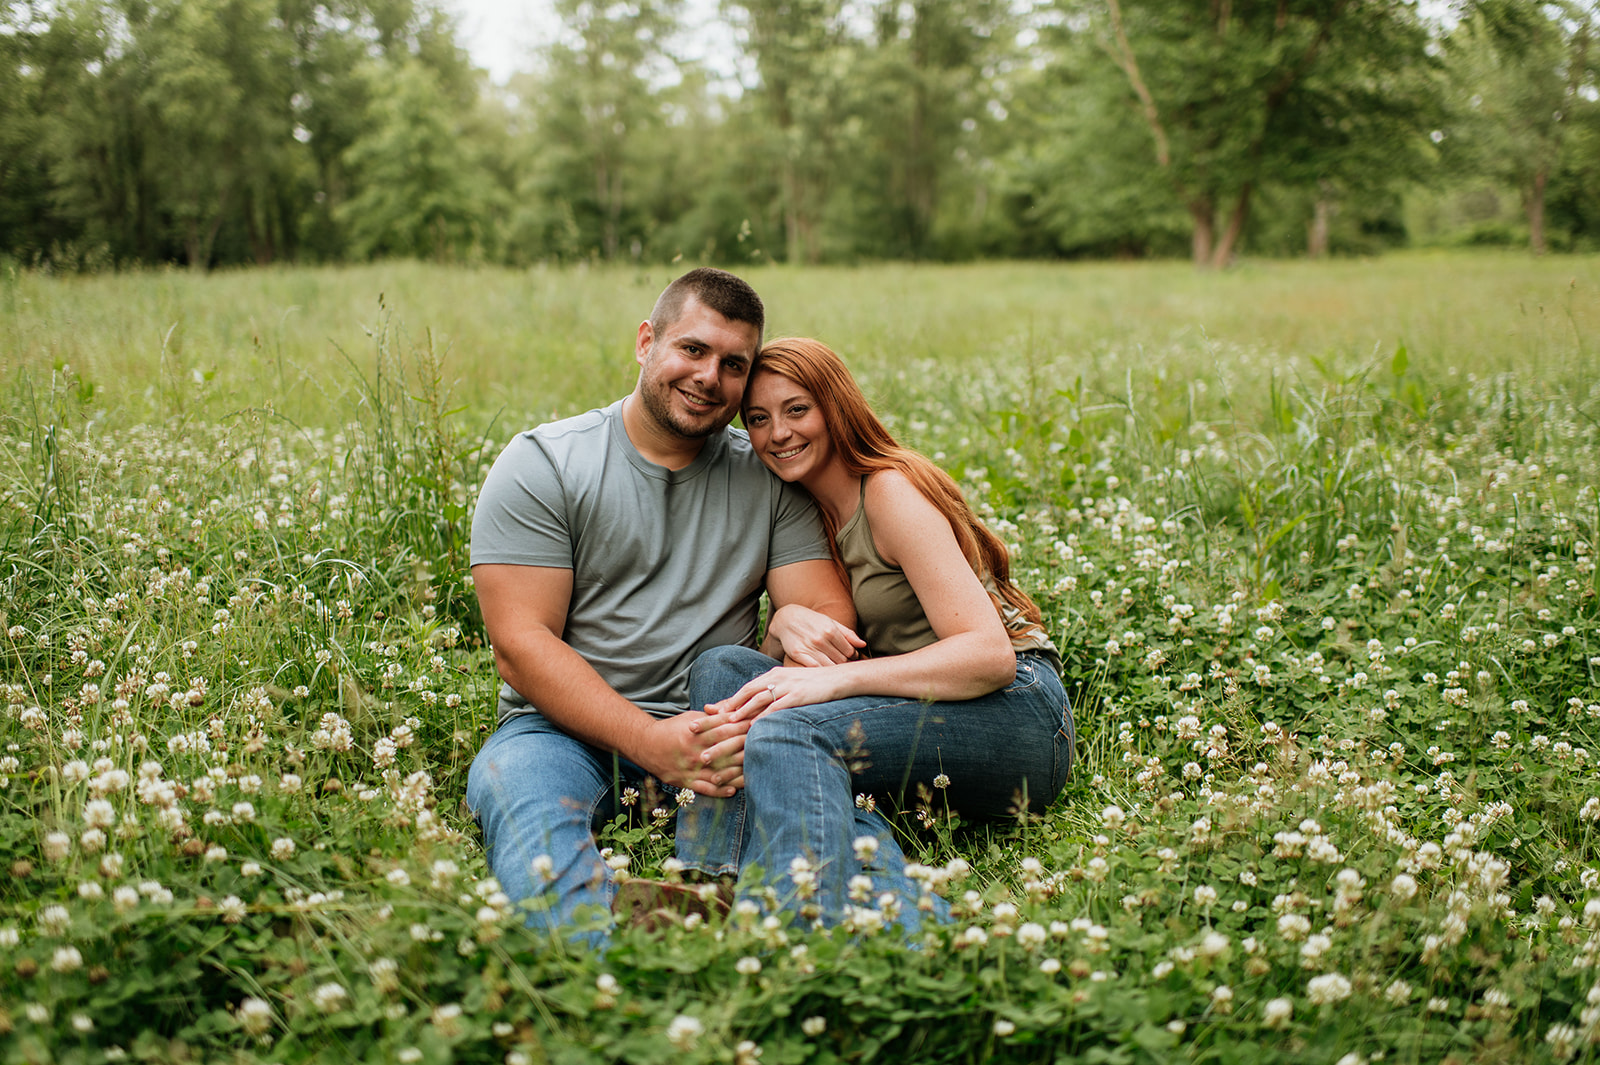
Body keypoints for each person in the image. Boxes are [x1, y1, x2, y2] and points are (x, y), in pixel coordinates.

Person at [465, 271, 855, 944]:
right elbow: (521, 644)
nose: (710, 377)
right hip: (560, 730)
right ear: (647, 342)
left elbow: (824, 618)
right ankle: (590, 969)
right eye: (693, 350)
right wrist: (648, 742)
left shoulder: (768, 474)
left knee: (834, 825)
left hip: (721, 732)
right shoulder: (545, 464)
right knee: (523, 801)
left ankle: (769, 933)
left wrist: (785, 627)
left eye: (734, 365)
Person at [682, 337, 1076, 927]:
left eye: (796, 410)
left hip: (1016, 710)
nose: (777, 433)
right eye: (758, 419)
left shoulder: (889, 490)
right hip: (911, 708)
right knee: (723, 671)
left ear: (835, 406)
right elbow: (798, 660)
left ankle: (808, 921)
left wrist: (837, 686)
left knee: (790, 733)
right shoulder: (805, 509)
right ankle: (713, 884)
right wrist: (784, 623)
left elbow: (990, 656)